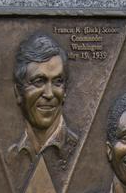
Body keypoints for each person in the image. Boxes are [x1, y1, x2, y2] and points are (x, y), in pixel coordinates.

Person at [8, 34, 79, 178]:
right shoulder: (12, 157)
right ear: (18, 92)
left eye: (58, 82)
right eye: (39, 81)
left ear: (65, 91)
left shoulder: (78, 150)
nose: (49, 94)